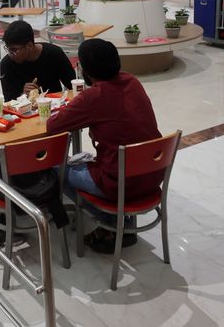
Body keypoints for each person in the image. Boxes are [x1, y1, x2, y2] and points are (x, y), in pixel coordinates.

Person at [46, 39, 162, 253]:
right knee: (88, 160)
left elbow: (53, 125)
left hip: (120, 182)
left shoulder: (94, 95)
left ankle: (115, 226)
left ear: (85, 69)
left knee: (54, 171)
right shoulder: (132, 81)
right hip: (153, 174)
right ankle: (117, 226)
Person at [0, 21, 75, 101]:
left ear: (29, 45)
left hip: (55, 106)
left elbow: (73, 85)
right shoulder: (6, 64)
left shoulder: (54, 53)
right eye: (8, 49)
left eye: (14, 50)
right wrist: (23, 95)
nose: (10, 54)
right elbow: (8, 100)